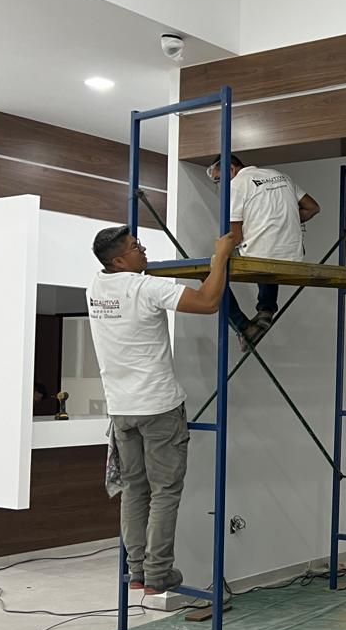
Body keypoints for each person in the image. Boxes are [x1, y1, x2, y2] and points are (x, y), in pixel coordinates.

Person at [87, 226, 235, 594]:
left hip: (122, 409)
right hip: (158, 406)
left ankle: (138, 572)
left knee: (135, 490)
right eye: (135, 248)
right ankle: (158, 574)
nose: (143, 251)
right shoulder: (143, 287)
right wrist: (220, 258)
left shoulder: (96, 287)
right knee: (165, 491)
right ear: (119, 260)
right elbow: (208, 302)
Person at [207, 154, 320, 348]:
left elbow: (235, 236)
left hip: (261, 257)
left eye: (219, 179)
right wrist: (284, 221)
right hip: (292, 255)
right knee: (268, 253)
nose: (220, 185)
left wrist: (220, 252)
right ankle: (266, 310)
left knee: (210, 273)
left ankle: (243, 326)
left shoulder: (236, 185)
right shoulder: (282, 176)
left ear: (231, 170)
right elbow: (312, 208)